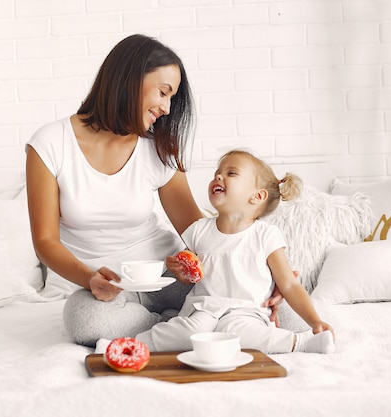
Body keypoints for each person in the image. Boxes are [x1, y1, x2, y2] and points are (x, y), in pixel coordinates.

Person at [25, 34, 283, 347]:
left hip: (171, 276)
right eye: (163, 93)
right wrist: (89, 279)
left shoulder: (158, 149)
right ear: (128, 79)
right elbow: (45, 242)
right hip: (111, 290)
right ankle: (185, 324)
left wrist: (265, 268)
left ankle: (186, 324)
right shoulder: (50, 144)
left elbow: (198, 228)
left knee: (274, 303)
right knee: (84, 320)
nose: (166, 107)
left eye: (171, 98)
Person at [127, 149, 335, 354]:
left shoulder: (266, 236)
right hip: (204, 309)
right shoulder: (199, 230)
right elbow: (190, 277)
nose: (218, 176)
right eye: (217, 172)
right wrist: (181, 272)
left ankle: (300, 342)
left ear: (257, 196)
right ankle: (132, 345)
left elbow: (289, 284)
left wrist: (315, 321)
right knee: (190, 331)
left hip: (246, 312)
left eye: (231, 173)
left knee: (238, 332)